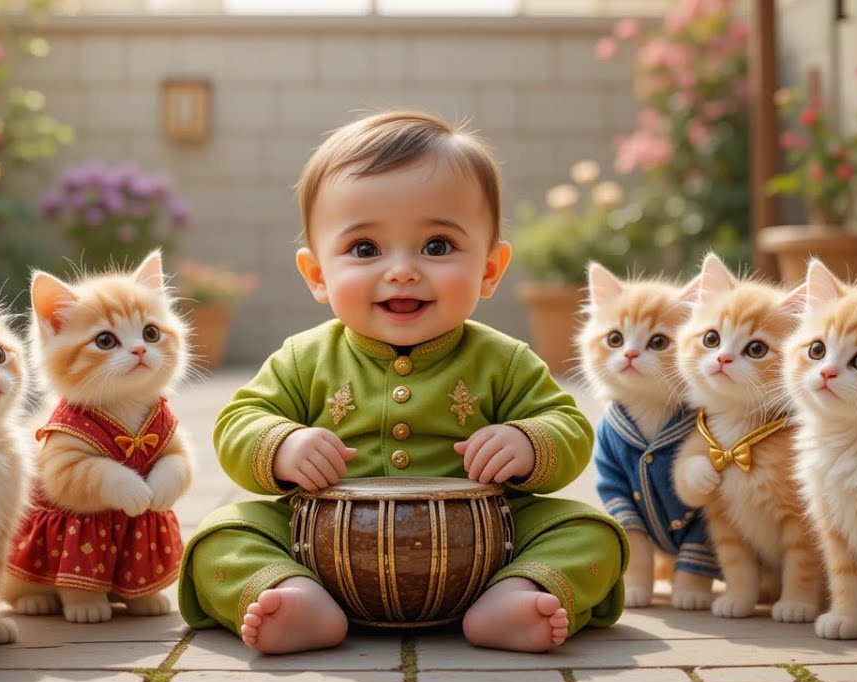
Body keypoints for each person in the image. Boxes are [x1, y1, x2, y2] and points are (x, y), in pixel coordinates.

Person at [177, 110, 628, 654]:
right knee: (220, 535)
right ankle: (291, 596)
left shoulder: (503, 360)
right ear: (318, 275)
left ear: (489, 269)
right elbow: (237, 423)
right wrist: (284, 446)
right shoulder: (304, 358)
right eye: (365, 249)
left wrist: (527, 443)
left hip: (484, 550)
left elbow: (570, 427)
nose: (402, 271)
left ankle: (517, 593)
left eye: (437, 246)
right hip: (320, 547)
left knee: (588, 530)